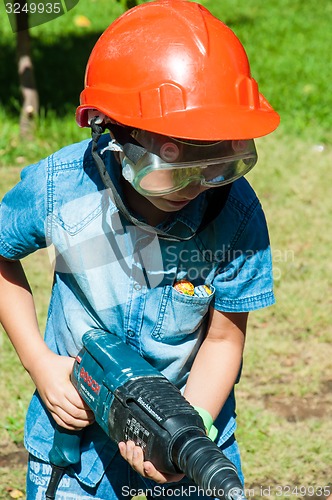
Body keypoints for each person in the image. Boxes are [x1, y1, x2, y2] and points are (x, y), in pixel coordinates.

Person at [0, 0, 280, 498]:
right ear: (113, 132)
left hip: (191, 429)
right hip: (74, 453)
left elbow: (222, 341)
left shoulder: (235, 215)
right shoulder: (64, 189)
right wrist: (40, 363)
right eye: (176, 165)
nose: (197, 184)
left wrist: (182, 436)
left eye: (216, 163)